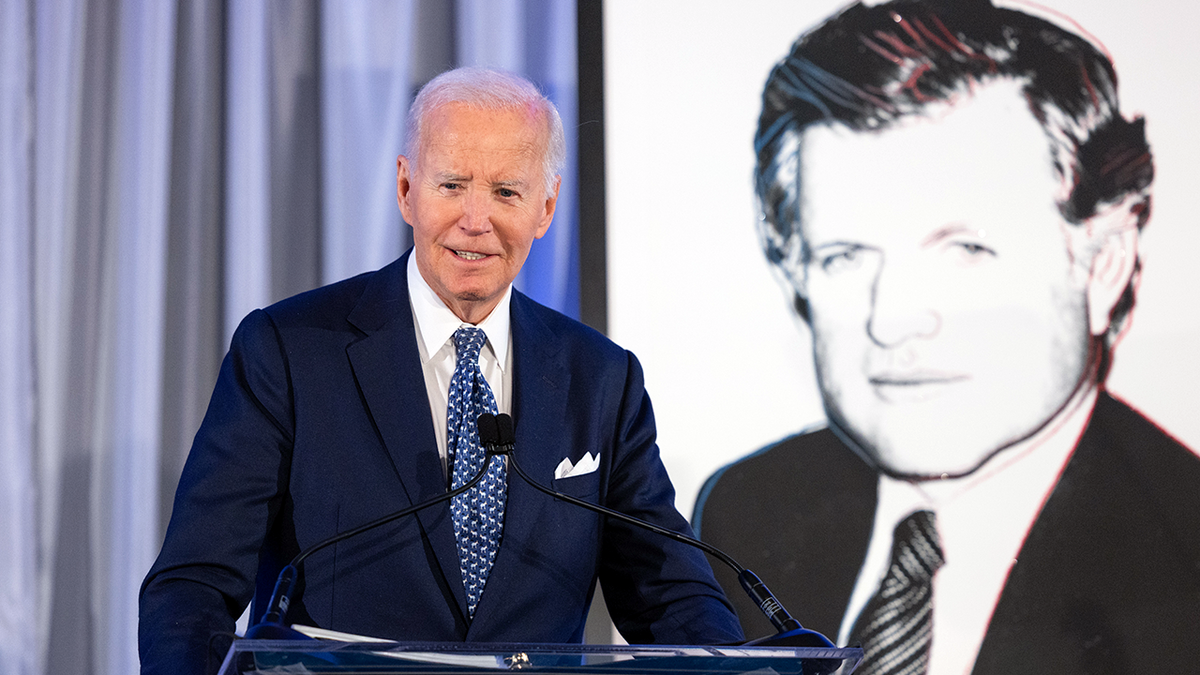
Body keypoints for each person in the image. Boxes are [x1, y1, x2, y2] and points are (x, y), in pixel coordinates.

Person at [140, 67, 742, 675]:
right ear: (407, 188)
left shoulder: (602, 379)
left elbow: (673, 596)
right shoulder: (288, 352)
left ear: (546, 207)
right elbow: (193, 587)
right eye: (452, 185)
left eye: (506, 192)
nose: (475, 220)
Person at [694, 2, 1200, 674]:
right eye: (844, 256)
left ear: (1103, 264)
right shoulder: (745, 512)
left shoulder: (1184, 546)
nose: (892, 318)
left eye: (965, 249)